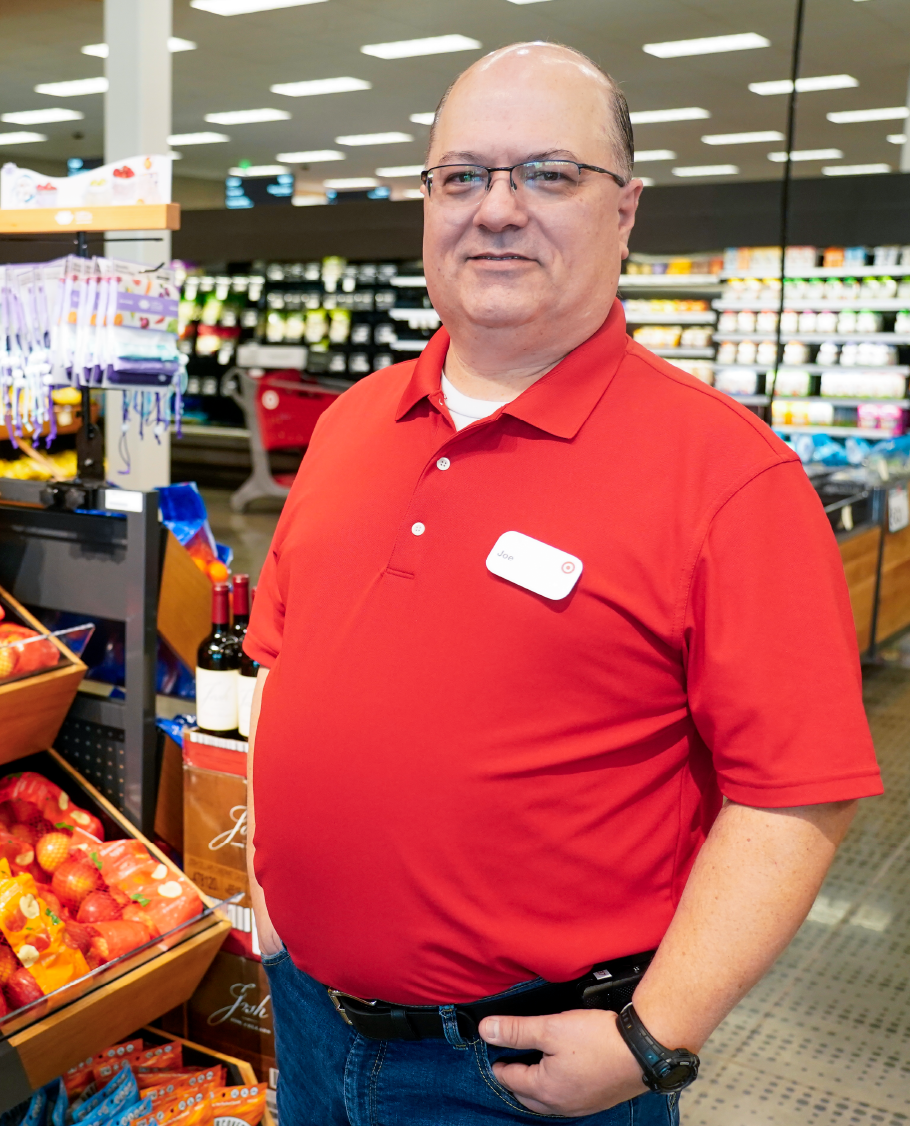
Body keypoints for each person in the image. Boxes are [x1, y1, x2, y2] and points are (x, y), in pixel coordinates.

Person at [241, 40, 883, 1125]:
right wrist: (269, 885)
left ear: (625, 212)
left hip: (526, 1077)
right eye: (462, 176)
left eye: (547, 173)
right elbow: (277, 659)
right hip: (309, 1024)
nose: (496, 209)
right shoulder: (353, 424)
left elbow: (797, 795)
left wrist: (652, 1037)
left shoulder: (727, 474)